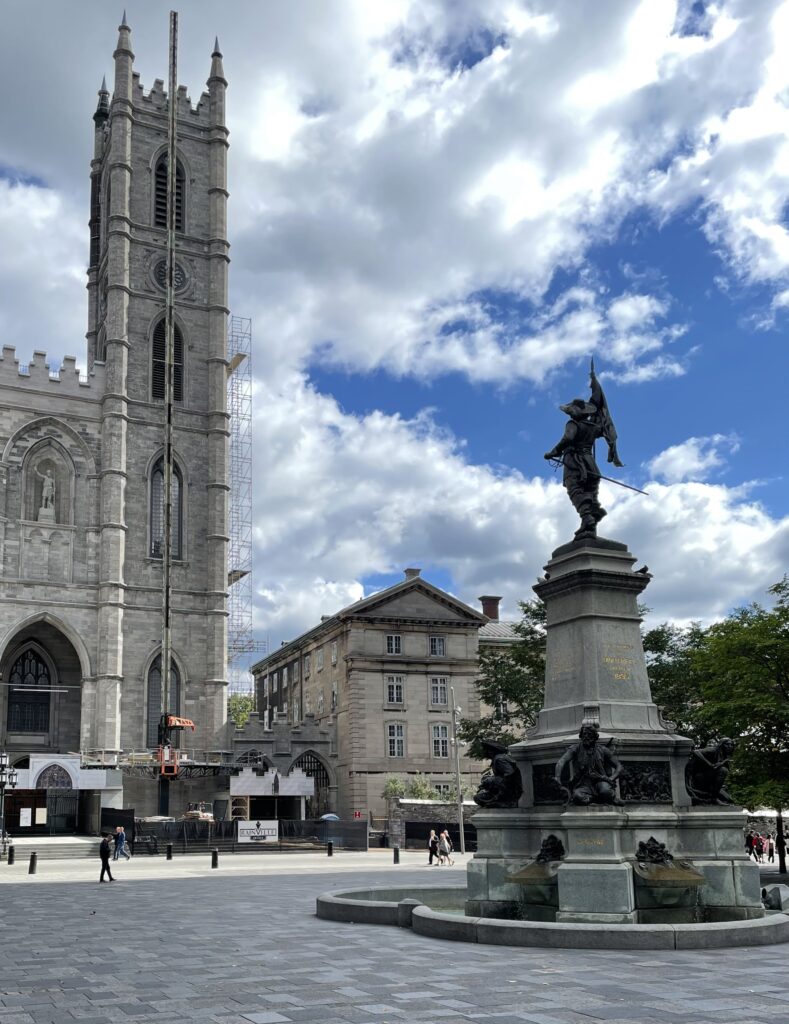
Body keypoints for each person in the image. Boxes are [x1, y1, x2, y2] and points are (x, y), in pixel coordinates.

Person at [543, 361, 623, 538]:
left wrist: (553, 452)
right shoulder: (594, 427)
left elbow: (568, 438)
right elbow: (602, 431)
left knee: (575, 489)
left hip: (575, 461)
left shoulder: (573, 424)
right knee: (591, 492)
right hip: (591, 464)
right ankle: (590, 521)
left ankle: (587, 518)